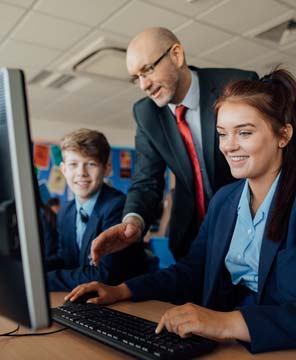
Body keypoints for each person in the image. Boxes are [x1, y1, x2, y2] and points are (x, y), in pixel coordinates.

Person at [66, 69, 296, 353]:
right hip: (225, 346)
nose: (228, 146)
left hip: (286, 347)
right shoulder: (225, 200)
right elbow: (192, 271)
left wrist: (226, 322)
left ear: (283, 135)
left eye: (245, 133)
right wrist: (122, 291)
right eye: (222, 134)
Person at [91, 27, 258, 262]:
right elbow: (146, 180)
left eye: (147, 70)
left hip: (247, 230)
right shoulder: (146, 113)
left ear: (177, 55)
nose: (143, 85)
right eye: (136, 77)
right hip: (191, 237)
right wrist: (133, 222)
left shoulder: (236, 85)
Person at [46, 129, 149, 291]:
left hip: (123, 304)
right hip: (83, 300)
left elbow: (104, 275)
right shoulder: (66, 210)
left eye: (91, 164)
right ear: (64, 169)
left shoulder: (118, 206)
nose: (81, 173)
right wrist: (34, 268)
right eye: (73, 164)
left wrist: (44, 280)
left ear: (106, 168)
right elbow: (65, 259)